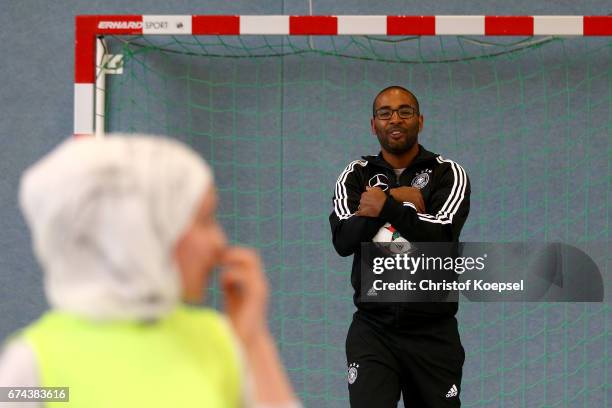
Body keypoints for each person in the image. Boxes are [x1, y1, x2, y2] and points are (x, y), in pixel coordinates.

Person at [0, 135, 300, 408]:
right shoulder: (31, 366)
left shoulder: (219, 340)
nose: (219, 241)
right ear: (141, 231)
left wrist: (253, 337)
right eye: (204, 221)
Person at [329, 86, 471, 407]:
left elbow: (443, 235)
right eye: (385, 113)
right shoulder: (356, 175)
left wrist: (383, 206)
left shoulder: (446, 173)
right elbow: (344, 239)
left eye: (405, 112)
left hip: (433, 335)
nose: (395, 119)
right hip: (373, 332)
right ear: (373, 124)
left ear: (419, 121)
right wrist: (396, 199)